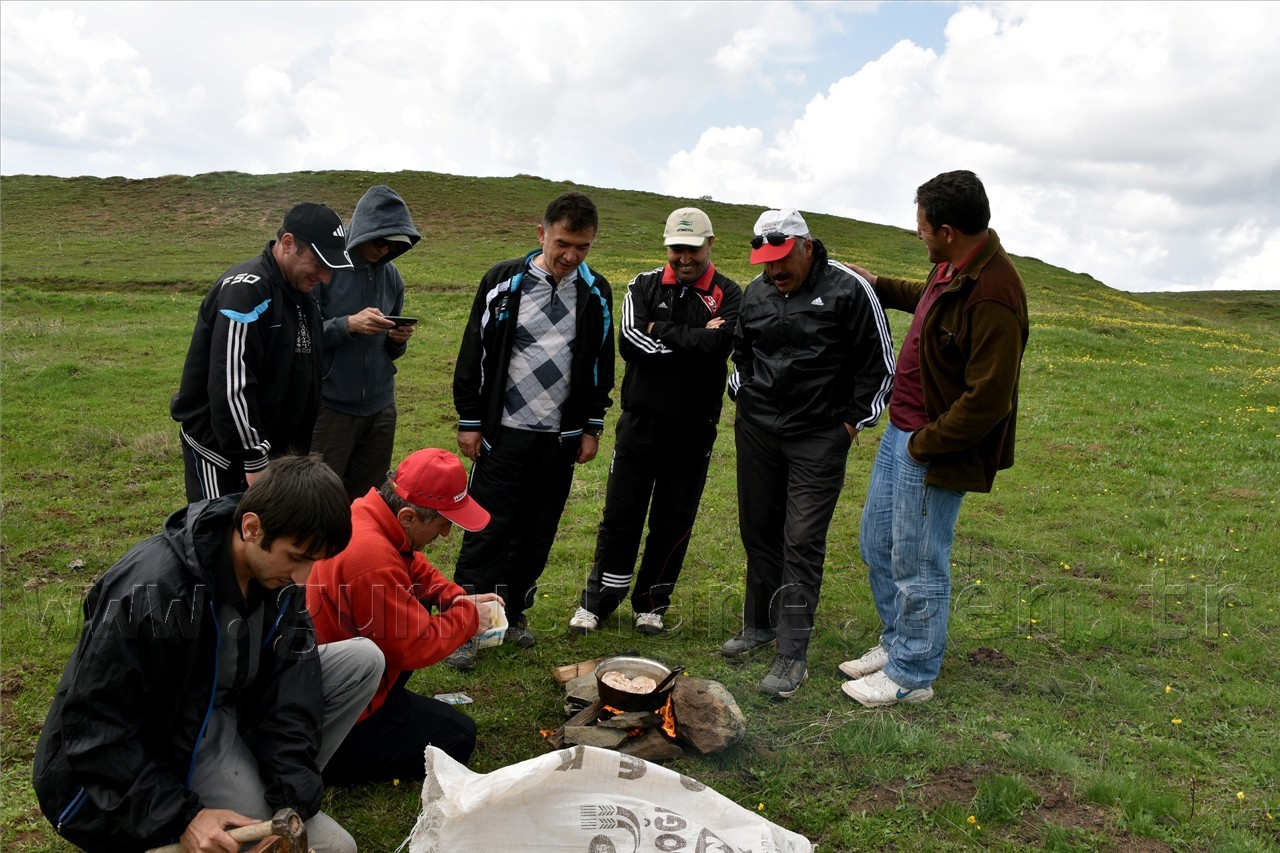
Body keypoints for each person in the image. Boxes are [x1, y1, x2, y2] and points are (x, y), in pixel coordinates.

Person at [32, 455, 384, 853]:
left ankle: (254, 787)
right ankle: (176, 831)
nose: (305, 577)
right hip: (162, 741)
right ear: (252, 528)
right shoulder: (153, 591)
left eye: (315, 561)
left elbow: (293, 690)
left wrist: (290, 798)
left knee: (363, 660)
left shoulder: (279, 576)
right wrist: (181, 816)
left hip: (227, 707)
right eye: (298, 557)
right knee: (338, 849)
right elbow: (95, 726)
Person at [839, 170, 1029, 707]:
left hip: (932, 444)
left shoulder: (994, 294)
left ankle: (912, 674)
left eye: (922, 227)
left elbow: (990, 399)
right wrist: (876, 284)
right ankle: (897, 641)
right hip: (903, 430)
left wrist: (925, 444)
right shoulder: (955, 268)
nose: (917, 234)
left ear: (946, 229)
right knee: (877, 543)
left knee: (919, 559)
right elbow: (926, 297)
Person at [721, 208, 895, 699]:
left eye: (781, 259)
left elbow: (880, 365)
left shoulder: (847, 290)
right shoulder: (756, 292)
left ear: (806, 247)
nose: (774, 270)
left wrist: (849, 425)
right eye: (766, 261)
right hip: (758, 430)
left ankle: (791, 653)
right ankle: (759, 624)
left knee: (801, 539)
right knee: (758, 529)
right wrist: (743, 393)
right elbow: (742, 354)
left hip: (820, 435)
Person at [447, 191, 614, 669]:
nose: (570, 256)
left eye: (582, 247)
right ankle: (463, 628)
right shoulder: (503, 282)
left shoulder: (596, 292)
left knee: (537, 532)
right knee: (485, 529)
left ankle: (514, 614)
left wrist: (591, 426)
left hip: (559, 438)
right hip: (503, 433)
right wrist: (471, 419)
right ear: (541, 234)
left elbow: (602, 363)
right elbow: (474, 350)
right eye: (562, 243)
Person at [567, 207, 742, 637]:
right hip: (640, 424)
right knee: (620, 514)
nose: (684, 258)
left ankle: (652, 603)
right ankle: (598, 603)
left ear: (710, 245)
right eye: (676, 248)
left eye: (693, 249)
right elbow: (631, 342)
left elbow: (722, 345)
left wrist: (662, 330)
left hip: (694, 429)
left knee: (674, 519)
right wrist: (697, 340)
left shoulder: (730, 293)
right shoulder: (642, 284)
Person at [307, 448, 502, 783]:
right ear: (408, 516)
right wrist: (469, 619)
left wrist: (454, 597)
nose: (445, 535)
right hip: (332, 711)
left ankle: (384, 704)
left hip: (339, 673)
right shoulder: (372, 560)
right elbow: (413, 647)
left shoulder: (367, 514)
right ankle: (327, 760)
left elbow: (411, 562)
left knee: (420, 604)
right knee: (458, 737)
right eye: (442, 524)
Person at [172, 203, 353, 503]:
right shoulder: (247, 291)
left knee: (262, 543)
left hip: (274, 457)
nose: (325, 277)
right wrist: (253, 456)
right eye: (318, 263)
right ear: (287, 243)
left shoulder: (303, 295)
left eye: (330, 267)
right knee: (220, 539)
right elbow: (231, 382)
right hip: (226, 456)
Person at [311, 185, 422, 502]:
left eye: (394, 244)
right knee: (319, 499)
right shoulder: (326, 270)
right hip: (331, 407)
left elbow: (392, 350)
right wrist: (349, 324)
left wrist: (398, 341)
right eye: (380, 241)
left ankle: (359, 553)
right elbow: (303, 336)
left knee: (367, 501)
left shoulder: (393, 277)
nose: (385, 249)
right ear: (361, 230)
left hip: (380, 409)